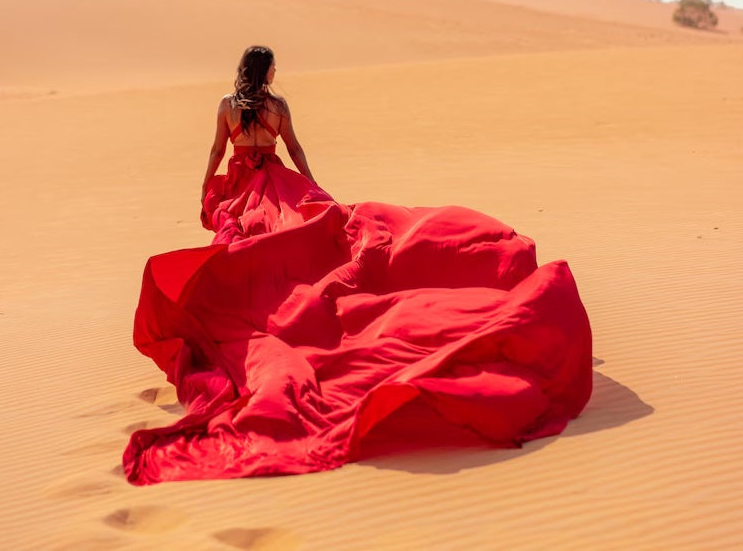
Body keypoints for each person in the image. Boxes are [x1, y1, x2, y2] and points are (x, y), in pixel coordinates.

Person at [123, 45, 593, 485]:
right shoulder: (279, 107)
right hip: (276, 180)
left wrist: (207, 188)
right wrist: (313, 188)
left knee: (243, 241)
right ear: (265, 72)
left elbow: (216, 152)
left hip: (243, 186)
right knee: (290, 236)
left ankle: (244, 309)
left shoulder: (227, 106)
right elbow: (294, 149)